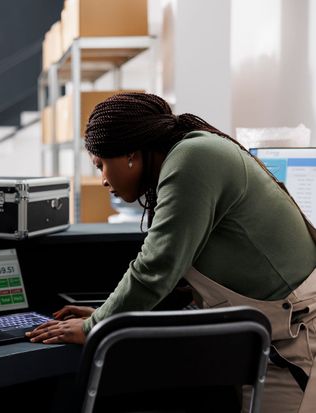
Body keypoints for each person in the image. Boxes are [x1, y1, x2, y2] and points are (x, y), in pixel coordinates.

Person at [26, 92, 316, 412]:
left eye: (101, 165)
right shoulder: (192, 153)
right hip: (274, 336)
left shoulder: (193, 157)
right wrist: (104, 314)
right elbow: (173, 274)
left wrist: (95, 327)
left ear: (131, 155)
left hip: (297, 343)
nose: (104, 180)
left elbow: (156, 266)